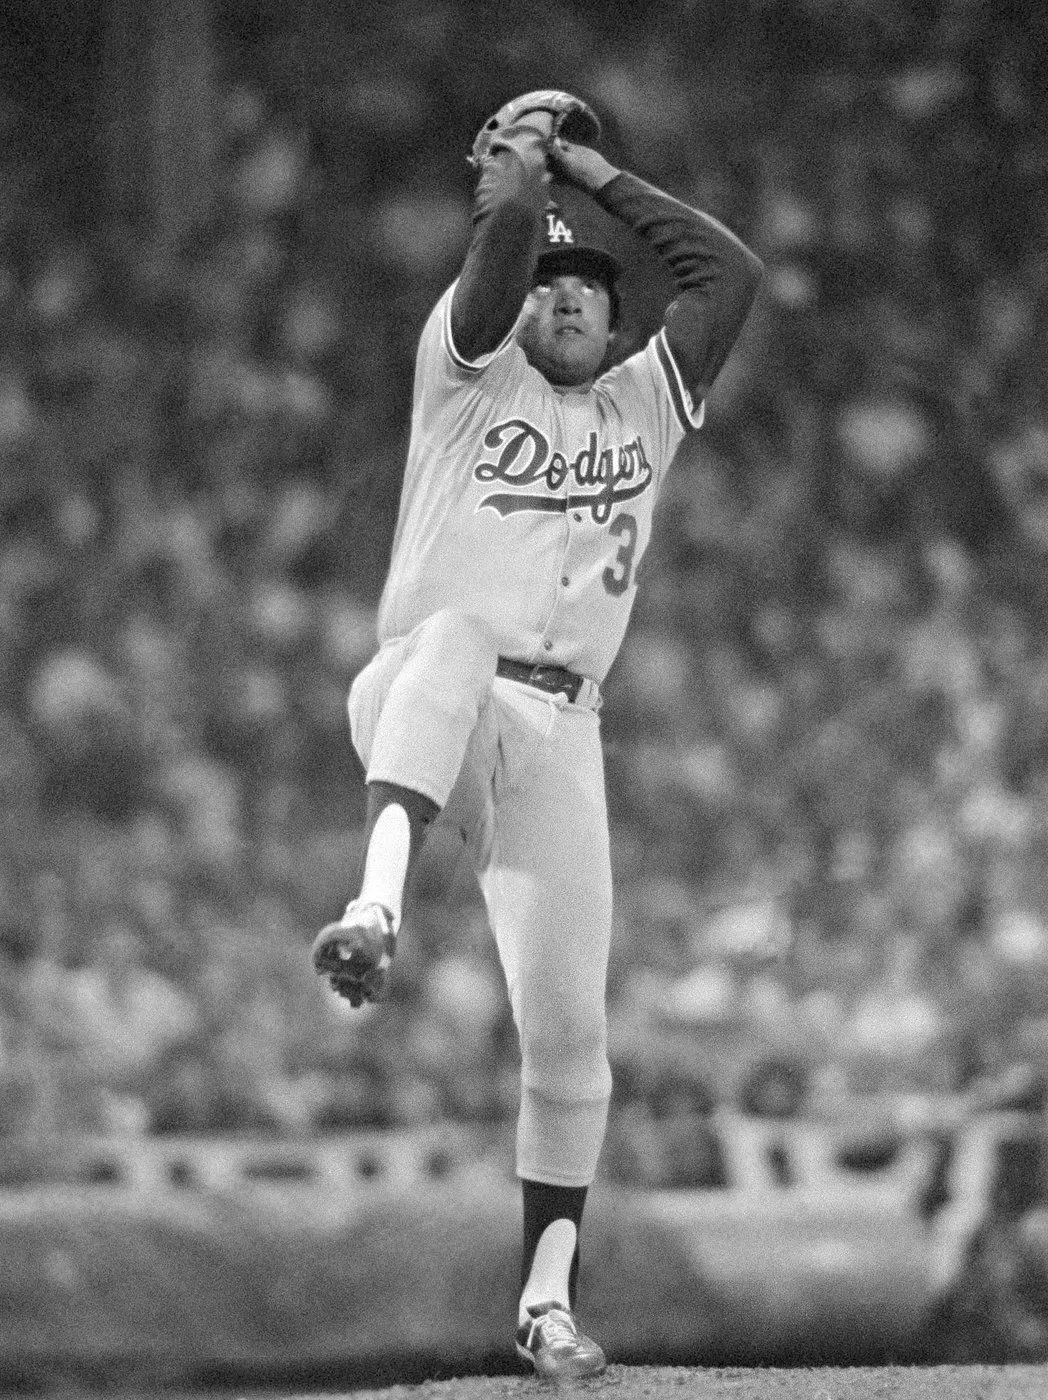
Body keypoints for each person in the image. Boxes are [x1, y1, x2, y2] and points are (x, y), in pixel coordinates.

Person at [312, 90, 762, 1380]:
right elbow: (507, 234)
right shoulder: (465, 372)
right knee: (457, 635)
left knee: (570, 1040)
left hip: (560, 731)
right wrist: (524, 173)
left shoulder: (645, 408)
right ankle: (375, 908)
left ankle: (546, 1301)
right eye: (550, 286)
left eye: (590, 290)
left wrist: (594, 174)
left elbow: (729, 278)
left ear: (619, 325)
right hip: (419, 699)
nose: (565, 297)